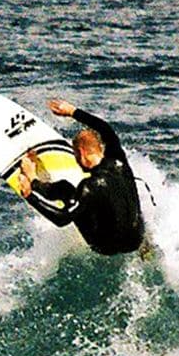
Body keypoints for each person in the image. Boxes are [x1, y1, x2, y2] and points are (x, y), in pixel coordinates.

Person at [13, 98, 150, 258]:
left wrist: (29, 195)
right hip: (136, 239)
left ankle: (34, 181)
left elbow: (62, 218)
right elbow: (106, 129)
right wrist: (72, 111)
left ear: (82, 153)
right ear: (99, 148)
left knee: (66, 190)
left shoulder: (89, 187)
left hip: (106, 247)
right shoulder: (118, 159)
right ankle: (146, 246)